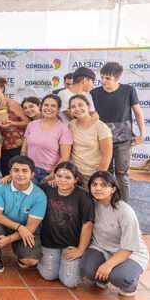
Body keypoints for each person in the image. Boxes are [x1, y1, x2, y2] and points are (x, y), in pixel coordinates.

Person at [80, 171, 148, 297]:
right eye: (94, 184)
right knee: (86, 269)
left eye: (103, 185)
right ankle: (102, 278)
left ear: (113, 189)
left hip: (129, 252)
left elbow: (128, 247)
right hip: (101, 248)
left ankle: (130, 285)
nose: (98, 188)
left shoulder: (125, 211)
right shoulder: (92, 205)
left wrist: (108, 264)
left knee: (121, 277)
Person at [91, 62, 146, 202]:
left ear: (118, 78)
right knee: (104, 173)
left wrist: (142, 134)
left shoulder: (128, 90)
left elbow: (138, 113)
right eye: (102, 77)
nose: (103, 80)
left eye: (107, 78)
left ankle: (124, 204)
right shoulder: (94, 93)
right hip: (102, 140)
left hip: (123, 140)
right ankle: (105, 200)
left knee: (122, 174)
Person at [0, 156, 47, 273]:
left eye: (25, 171)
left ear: (32, 174)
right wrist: (18, 227)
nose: (20, 174)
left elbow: (31, 227)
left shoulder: (40, 195)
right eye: (16, 170)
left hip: (26, 230)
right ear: (10, 172)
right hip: (3, 224)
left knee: (31, 261)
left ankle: (19, 251)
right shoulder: (1, 186)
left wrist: (9, 239)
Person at [37, 162, 94, 288]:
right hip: (49, 242)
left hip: (71, 245)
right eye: (59, 176)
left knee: (70, 282)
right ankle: (42, 259)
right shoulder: (47, 188)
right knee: (49, 275)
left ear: (76, 179)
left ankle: (78, 263)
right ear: (54, 176)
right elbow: (26, 187)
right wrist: (9, 178)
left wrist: (80, 249)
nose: (62, 180)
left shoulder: (83, 196)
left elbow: (88, 225)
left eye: (67, 177)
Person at [21, 94, 72, 184]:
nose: (49, 108)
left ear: (58, 109)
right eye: (46, 105)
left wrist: (53, 174)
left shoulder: (63, 129)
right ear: (41, 106)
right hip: (29, 171)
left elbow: (65, 157)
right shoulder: (32, 125)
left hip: (48, 173)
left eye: (53, 106)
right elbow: (24, 149)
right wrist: (23, 168)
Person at [0, 77, 30, 176]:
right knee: (7, 176)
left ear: (2, 88)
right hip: (3, 149)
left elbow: (28, 122)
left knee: (19, 175)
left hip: (18, 147)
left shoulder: (12, 104)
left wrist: (12, 123)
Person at [69, 95, 113, 186]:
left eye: (81, 105)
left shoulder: (101, 127)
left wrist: (98, 177)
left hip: (92, 175)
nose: (77, 109)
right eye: (73, 107)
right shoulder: (70, 125)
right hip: (74, 174)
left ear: (88, 107)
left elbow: (107, 156)